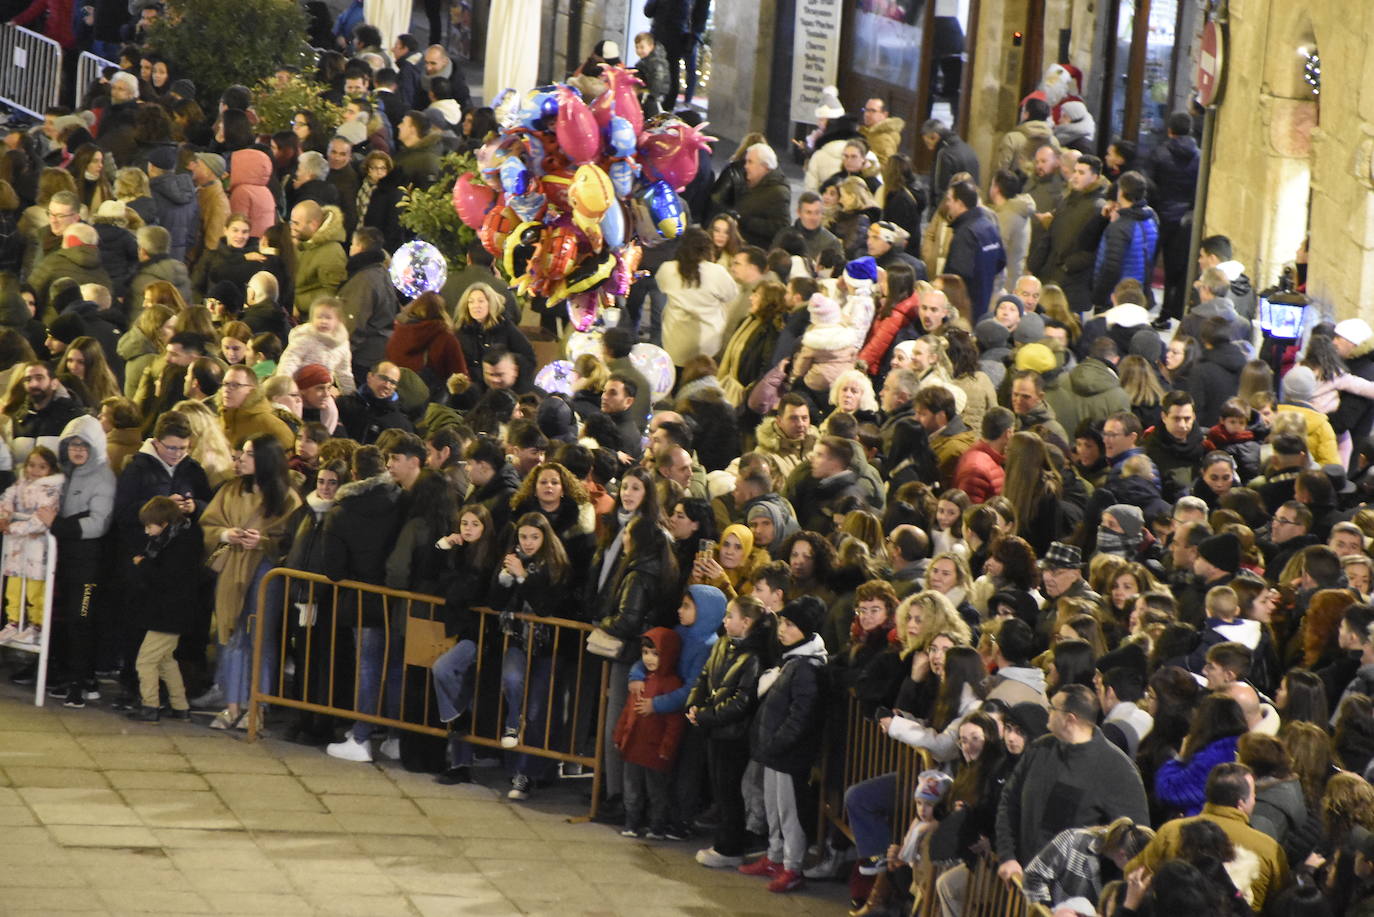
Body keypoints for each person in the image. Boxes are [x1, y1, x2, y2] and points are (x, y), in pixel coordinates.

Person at [995, 684, 1150, 885]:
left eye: (1053, 708)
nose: (1048, 712)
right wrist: (1008, 856)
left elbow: (1135, 842)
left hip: (1074, 898)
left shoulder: (1118, 770)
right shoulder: (1040, 748)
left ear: (1070, 719)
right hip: (1025, 883)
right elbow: (1008, 802)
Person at [198, 435, 301, 730]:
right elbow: (209, 524)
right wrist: (225, 535)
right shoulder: (230, 490)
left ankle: (257, 706)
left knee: (260, 637)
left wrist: (264, 542)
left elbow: (290, 542)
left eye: (248, 455)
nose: (240, 459)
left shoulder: (287, 500)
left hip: (264, 573)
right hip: (232, 569)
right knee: (231, 635)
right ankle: (232, 705)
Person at [739, 596, 827, 893]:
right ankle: (775, 857)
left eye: (790, 625)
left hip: (788, 755)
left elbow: (801, 715)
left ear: (805, 629)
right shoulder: (792, 660)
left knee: (790, 813)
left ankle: (793, 866)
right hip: (774, 752)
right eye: (783, 623)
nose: (782, 629)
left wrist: (778, 743)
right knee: (774, 809)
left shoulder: (806, 667)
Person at [1129, 762, 1289, 911]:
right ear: (1241, 803)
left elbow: (1135, 875)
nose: (1254, 800)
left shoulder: (1170, 831)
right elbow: (1281, 903)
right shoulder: (1269, 848)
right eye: (1253, 795)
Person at [690, 594, 775, 868]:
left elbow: (741, 701)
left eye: (730, 615)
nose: (725, 620)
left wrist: (705, 715)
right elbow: (705, 676)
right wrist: (694, 704)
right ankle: (723, 842)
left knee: (729, 791)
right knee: (719, 787)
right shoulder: (723, 644)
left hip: (734, 735)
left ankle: (729, 847)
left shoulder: (753, 656)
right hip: (715, 729)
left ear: (746, 622)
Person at [125, 495, 201, 722]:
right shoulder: (182, 537)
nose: (147, 532)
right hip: (173, 612)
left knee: (146, 661)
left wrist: (143, 565)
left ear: (165, 523)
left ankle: (150, 706)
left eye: (150, 526)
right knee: (166, 660)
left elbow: (167, 577)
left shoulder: (178, 545)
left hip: (168, 613)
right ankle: (180, 706)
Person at [613, 627, 686, 839]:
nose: (649, 658)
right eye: (645, 652)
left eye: (655, 653)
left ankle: (656, 825)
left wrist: (667, 747)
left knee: (657, 791)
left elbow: (674, 722)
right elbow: (628, 710)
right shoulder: (641, 680)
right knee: (632, 787)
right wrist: (620, 736)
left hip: (654, 749)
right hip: (634, 745)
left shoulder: (671, 683)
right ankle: (632, 822)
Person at [658, 226, 738, 368]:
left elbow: (662, 286)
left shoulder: (667, 269)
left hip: (675, 343)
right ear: (708, 248)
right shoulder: (717, 272)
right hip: (708, 346)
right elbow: (731, 294)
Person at [942, 180, 1005, 323]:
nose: (947, 204)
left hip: (965, 312)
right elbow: (1001, 262)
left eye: (950, 199)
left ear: (960, 203)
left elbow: (956, 278)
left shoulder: (965, 234)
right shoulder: (989, 227)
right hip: (984, 303)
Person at [734, 144, 791, 249]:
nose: (746, 166)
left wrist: (747, 221)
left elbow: (782, 227)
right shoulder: (751, 182)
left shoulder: (778, 192)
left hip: (759, 252)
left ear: (765, 166)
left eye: (750, 162)